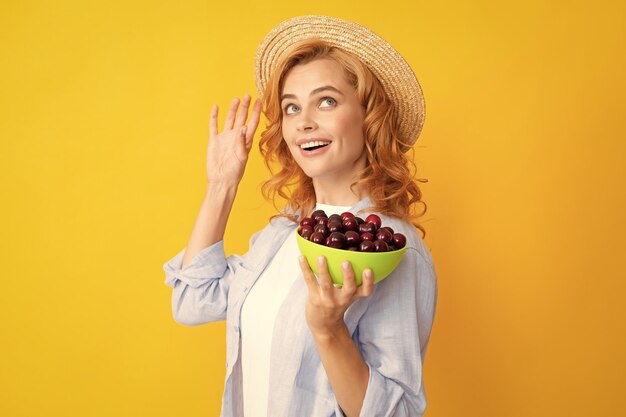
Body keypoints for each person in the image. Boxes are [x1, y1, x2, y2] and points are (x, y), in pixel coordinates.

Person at [163, 15, 438, 417]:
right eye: (292, 107)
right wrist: (221, 186)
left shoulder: (391, 250)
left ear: (369, 115)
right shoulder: (285, 232)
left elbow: (395, 412)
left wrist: (329, 330)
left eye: (327, 101)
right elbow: (192, 301)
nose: (304, 122)